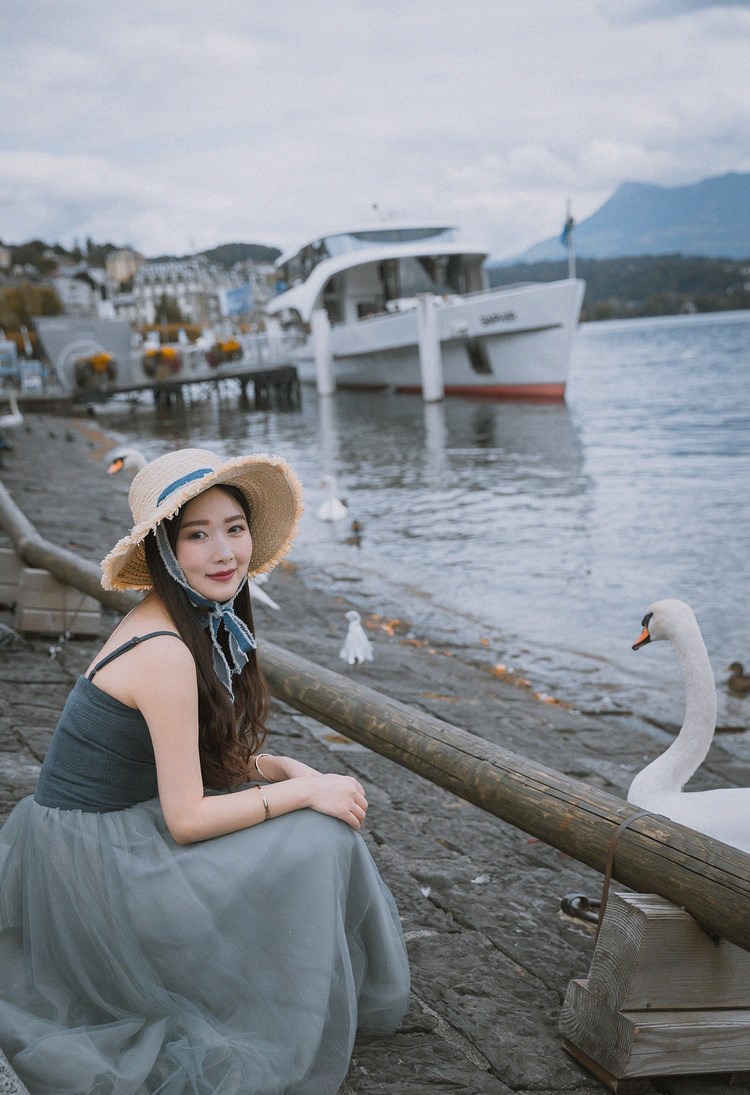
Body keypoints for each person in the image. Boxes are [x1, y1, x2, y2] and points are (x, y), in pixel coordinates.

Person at [0, 447, 410, 1095]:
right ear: (165, 550)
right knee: (318, 834)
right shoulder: (164, 648)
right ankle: (319, 996)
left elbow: (189, 757)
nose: (225, 551)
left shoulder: (192, 622)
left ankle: (329, 987)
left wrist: (275, 766)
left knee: (314, 817)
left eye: (235, 528)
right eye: (197, 534)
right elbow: (187, 817)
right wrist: (305, 788)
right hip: (101, 867)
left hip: (110, 831)